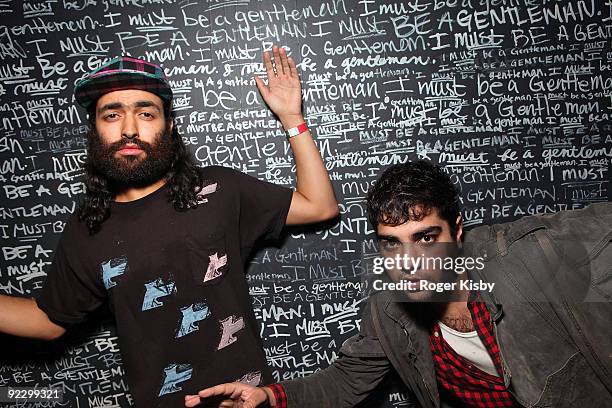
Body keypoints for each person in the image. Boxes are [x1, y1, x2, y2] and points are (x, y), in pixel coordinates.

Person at [0, 45, 338, 407]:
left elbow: (319, 206)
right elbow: (47, 320)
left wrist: (292, 117)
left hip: (248, 400)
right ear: (95, 130)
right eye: (112, 115)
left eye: (146, 113)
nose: (129, 129)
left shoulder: (218, 190)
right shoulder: (88, 229)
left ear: (169, 125)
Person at [188, 160, 612, 408]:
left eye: (426, 238)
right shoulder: (389, 313)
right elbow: (345, 381)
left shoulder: (534, 258)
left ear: (457, 231)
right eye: (392, 244)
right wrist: (267, 397)